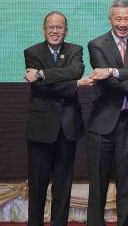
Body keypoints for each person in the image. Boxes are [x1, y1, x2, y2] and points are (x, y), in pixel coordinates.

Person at [84, 0, 128, 226]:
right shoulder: (96, 44)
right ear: (110, 19)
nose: (123, 23)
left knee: (127, 183)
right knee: (98, 182)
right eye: (119, 19)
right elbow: (110, 83)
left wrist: (112, 70)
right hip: (102, 123)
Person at [24, 11, 90, 226]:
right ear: (44, 30)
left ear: (66, 30)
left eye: (59, 27)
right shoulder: (32, 52)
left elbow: (76, 70)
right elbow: (41, 88)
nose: (55, 31)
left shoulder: (75, 50)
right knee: (38, 184)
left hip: (68, 128)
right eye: (51, 27)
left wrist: (43, 74)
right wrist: (73, 84)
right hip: (41, 129)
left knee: (63, 185)